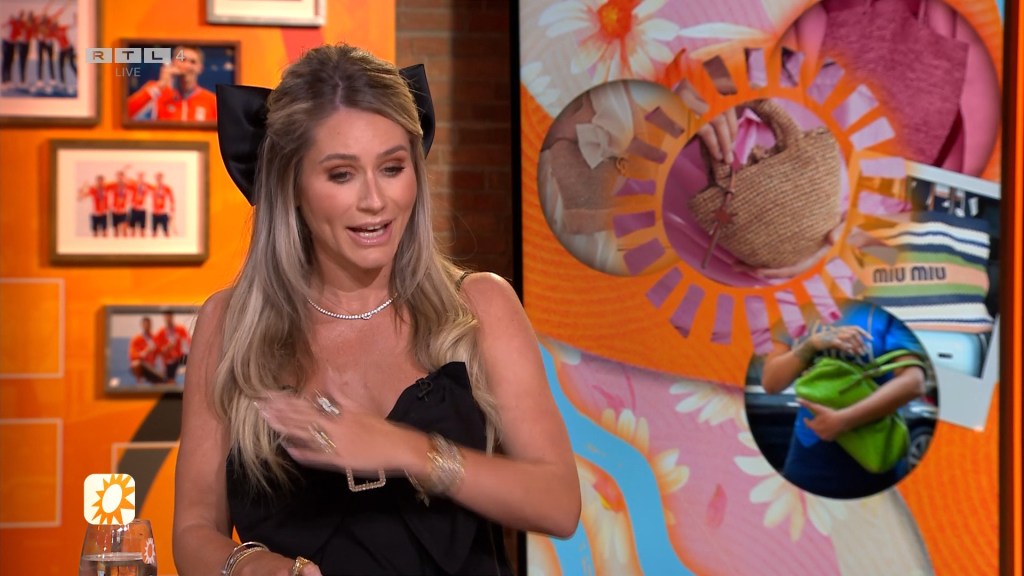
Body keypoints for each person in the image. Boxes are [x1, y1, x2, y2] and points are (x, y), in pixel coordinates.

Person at [173, 44, 580, 575]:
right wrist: (253, 567)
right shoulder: (229, 325)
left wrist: (408, 450)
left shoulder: (480, 305)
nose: (375, 200)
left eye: (392, 168)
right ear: (291, 185)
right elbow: (193, 530)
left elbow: (558, 502)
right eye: (342, 174)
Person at [760, 301, 927, 499]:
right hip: (808, 450)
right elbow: (771, 383)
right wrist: (811, 345)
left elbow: (914, 382)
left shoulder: (887, 313)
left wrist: (843, 421)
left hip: (873, 449)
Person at [126, 45, 217, 122]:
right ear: (173, 63)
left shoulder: (212, 100)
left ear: (200, 68)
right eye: (182, 60)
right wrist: (161, 84)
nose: (187, 66)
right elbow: (124, 113)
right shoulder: (157, 91)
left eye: (193, 62)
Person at [155, 310, 190, 384]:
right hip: (168, 362)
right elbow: (159, 351)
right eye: (166, 317)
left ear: (172, 317)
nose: (168, 318)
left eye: (169, 316)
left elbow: (188, 344)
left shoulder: (180, 329)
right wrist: (167, 347)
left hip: (180, 358)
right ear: (164, 318)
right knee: (170, 366)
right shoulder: (161, 333)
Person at [129, 316, 163, 385]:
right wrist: (145, 352)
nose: (147, 326)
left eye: (148, 324)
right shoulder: (136, 339)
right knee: (135, 363)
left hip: (152, 366)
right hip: (143, 365)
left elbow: (160, 352)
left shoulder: (155, 338)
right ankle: (140, 383)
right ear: (142, 325)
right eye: (145, 324)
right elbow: (132, 355)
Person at [149, 172, 173, 237]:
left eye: (160, 178)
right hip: (155, 213)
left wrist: (171, 213)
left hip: (163, 213)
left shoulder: (167, 188)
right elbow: (137, 183)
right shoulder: (152, 187)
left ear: (162, 178)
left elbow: (172, 200)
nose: (158, 180)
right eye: (157, 178)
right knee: (154, 233)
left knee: (166, 232)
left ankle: (169, 243)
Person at [129, 171, 149, 237]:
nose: (141, 178)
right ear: (137, 177)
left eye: (142, 177)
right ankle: (132, 242)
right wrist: (126, 169)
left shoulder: (147, 186)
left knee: (142, 229)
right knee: (132, 229)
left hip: (142, 209)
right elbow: (125, 180)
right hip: (134, 209)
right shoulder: (133, 184)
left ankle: (143, 242)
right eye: (139, 177)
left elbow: (155, 189)